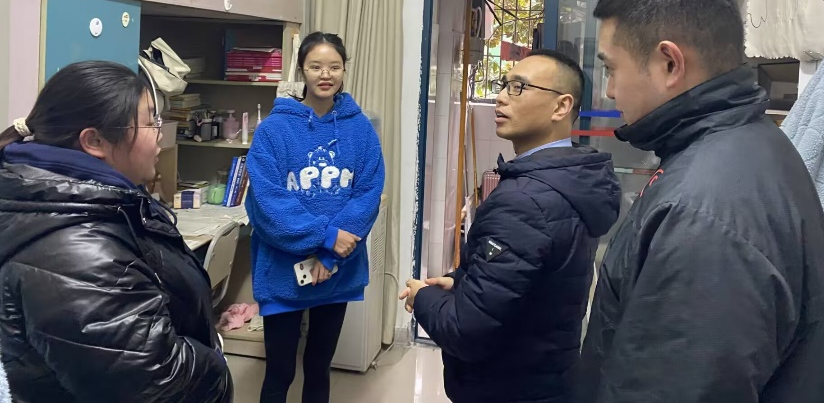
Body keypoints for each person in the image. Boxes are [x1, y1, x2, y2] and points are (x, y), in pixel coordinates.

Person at [578, 0, 824, 402]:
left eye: (611, 68)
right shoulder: (753, 145)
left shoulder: (703, 212)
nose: (610, 90)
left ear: (669, 63)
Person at [0, 61, 232, 403]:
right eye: (150, 121)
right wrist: (216, 369)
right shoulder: (76, 252)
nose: (160, 131)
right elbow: (156, 381)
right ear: (95, 140)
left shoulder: (102, 203)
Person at [401, 49, 621, 403]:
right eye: (503, 85)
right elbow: (534, 281)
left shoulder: (525, 200)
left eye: (519, 87)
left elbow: (464, 330)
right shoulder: (572, 180)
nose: (502, 97)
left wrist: (421, 296)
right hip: (547, 374)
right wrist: (462, 282)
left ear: (561, 106)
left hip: (508, 387)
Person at [246, 31, 385, 403]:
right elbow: (267, 202)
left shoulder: (360, 129)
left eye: (334, 67)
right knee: (279, 371)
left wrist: (329, 254)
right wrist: (325, 237)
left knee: (320, 366)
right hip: (282, 269)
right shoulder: (274, 130)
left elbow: (367, 195)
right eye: (316, 66)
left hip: (337, 268)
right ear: (302, 71)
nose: (326, 75)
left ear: (344, 70)